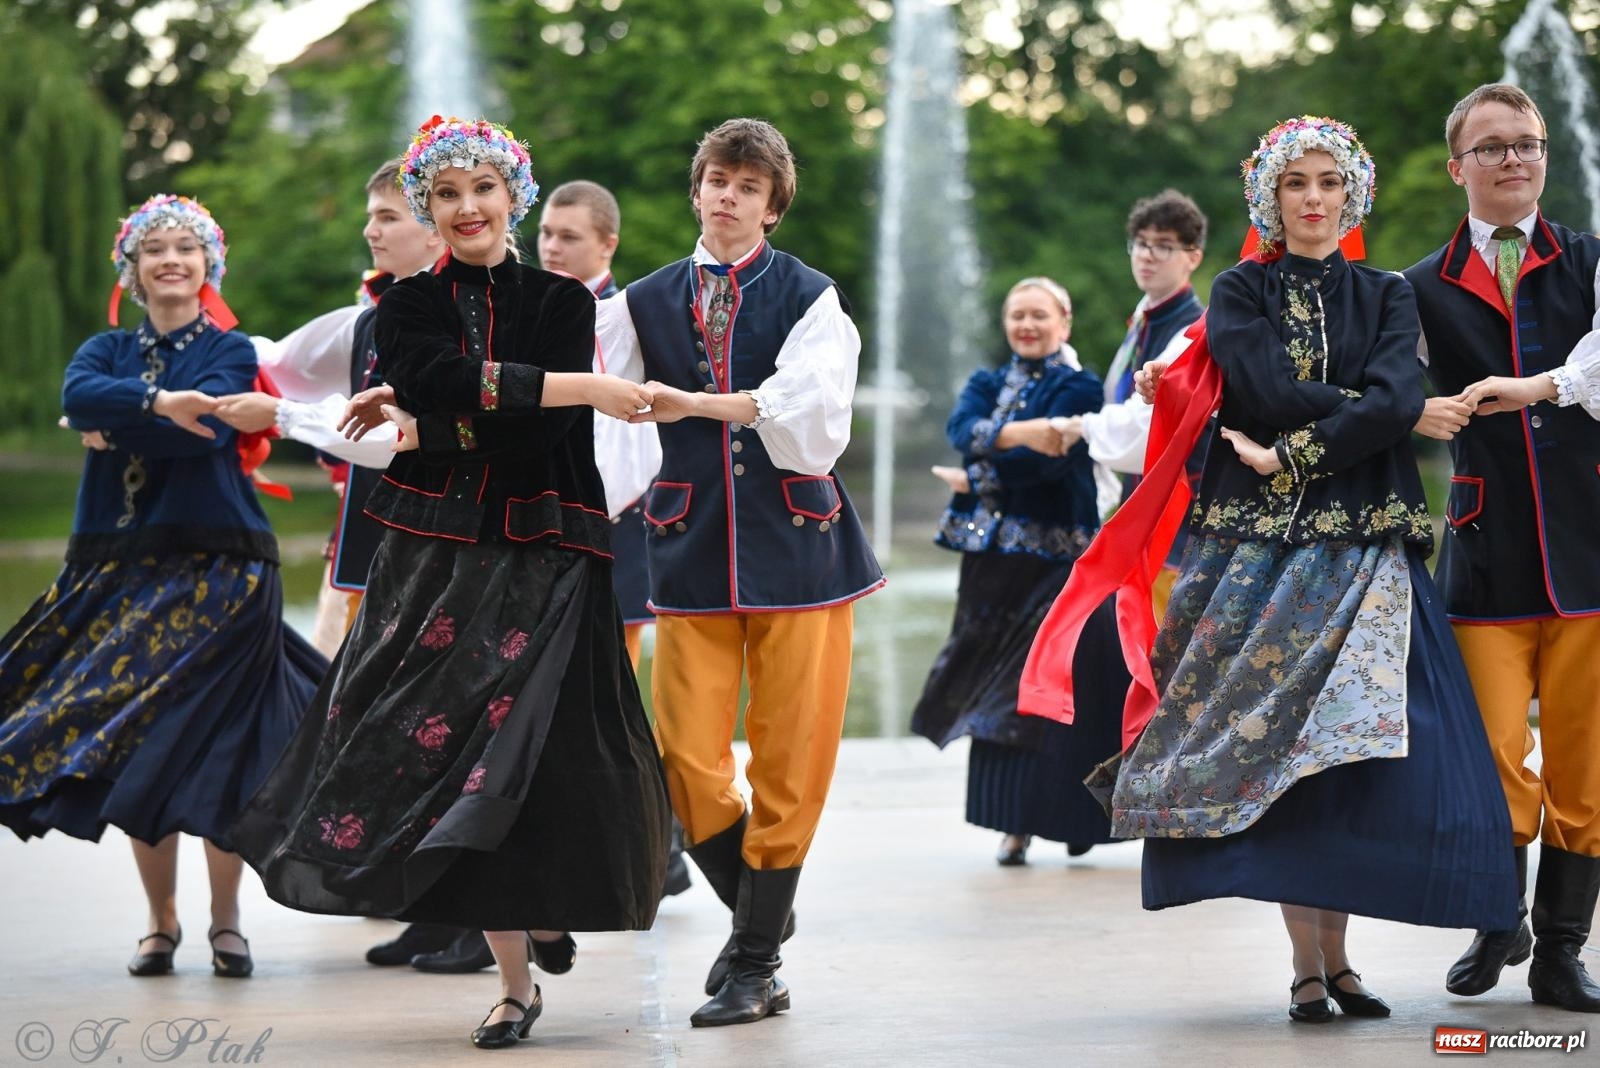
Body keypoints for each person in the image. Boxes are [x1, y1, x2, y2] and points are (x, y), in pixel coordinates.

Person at [1020, 116, 1519, 1023]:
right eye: (1298, 184)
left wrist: (1295, 450)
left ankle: (1343, 957)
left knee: (1348, 753)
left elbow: (1399, 398)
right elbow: (1264, 388)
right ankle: (1305, 964)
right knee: (1274, 748)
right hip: (1256, 552)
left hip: (1368, 543)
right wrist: (1366, 412)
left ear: (1352, 194)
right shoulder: (1239, 287)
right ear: (1271, 198)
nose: (1316, 198)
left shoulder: (1386, 293)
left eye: (1331, 182)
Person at [230, 117, 672, 1050]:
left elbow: (519, 431)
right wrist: (564, 390)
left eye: (483, 189)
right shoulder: (404, 304)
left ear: (514, 194)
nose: (466, 209)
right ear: (429, 209)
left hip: (549, 545)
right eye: (446, 195)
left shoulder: (562, 300)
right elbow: (437, 380)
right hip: (433, 549)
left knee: (533, 753)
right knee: (436, 746)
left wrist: (447, 420)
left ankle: (542, 922)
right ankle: (515, 981)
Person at [596, 117, 884, 1027]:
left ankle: (755, 961)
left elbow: (812, 419)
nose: (728, 195)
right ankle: (768, 913)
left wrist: (703, 404)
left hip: (802, 553)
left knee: (793, 760)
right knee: (685, 756)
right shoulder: (639, 302)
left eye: (748, 186)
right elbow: (598, 413)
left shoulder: (810, 297)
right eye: (718, 178)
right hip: (686, 553)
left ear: (772, 204)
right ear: (698, 189)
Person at [0, 194, 326, 979]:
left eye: (187, 248)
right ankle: (160, 920)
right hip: (120, 568)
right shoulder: (104, 349)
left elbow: (210, 429)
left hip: (226, 571)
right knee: (142, 748)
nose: (171, 260)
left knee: (217, 749)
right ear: (135, 269)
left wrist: (120, 425)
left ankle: (226, 921)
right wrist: (151, 404)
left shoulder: (227, 349)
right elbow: (79, 397)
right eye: (156, 250)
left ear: (208, 265)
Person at [1403, 83, 1600, 1013]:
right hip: (1484, 551)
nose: (1514, 158)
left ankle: (1561, 950)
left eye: (1526, 143)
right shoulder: (1414, 284)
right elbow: (1371, 384)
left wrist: (1542, 388)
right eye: (1492, 147)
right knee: (1485, 753)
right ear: (1459, 168)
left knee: (1584, 759)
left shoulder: (1592, 260)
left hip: (1590, 544)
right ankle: (1497, 918)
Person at [911, 277, 1129, 867]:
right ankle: (1014, 824)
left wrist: (979, 471)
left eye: (1038, 315)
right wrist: (1020, 434)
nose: (1027, 326)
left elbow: (1050, 468)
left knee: (1047, 691)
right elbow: (961, 431)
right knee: (987, 682)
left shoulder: (1079, 385)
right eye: (1016, 316)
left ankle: (1072, 817)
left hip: (1057, 568)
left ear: (1064, 321)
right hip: (991, 567)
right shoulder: (986, 381)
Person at [215, 160, 446, 660]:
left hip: (441, 545)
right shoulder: (364, 320)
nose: (370, 230)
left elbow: (397, 435)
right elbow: (272, 359)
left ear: (436, 229)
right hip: (366, 541)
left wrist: (281, 415)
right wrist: (191, 305)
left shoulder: (464, 315)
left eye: (387, 216)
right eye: (370, 216)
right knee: (332, 693)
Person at [1074, 191, 1208, 618]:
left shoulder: (1193, 329)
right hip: (1145, 511)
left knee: (1165, 650)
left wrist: (1075, 428)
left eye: (1164, 246)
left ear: (1193, 257)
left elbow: (1143, 430)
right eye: (1140, 242)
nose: (1147, 255)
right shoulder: (1145, 318)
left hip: (1183, 518)